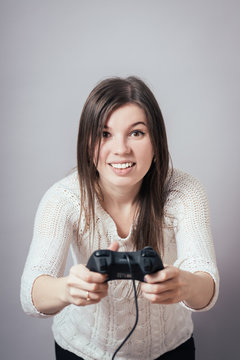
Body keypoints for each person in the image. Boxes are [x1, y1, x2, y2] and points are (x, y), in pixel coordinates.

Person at [20, 76, 219, 360]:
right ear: (87, 144)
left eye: (136, 133)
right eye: (104, 134)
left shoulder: (185, 192)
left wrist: (184, 285)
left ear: (156, 142)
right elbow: (31, 293)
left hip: (170, 349)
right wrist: (69, 289)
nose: (121, 149)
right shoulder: (63, 198)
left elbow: (206, 281)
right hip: (81, 350)